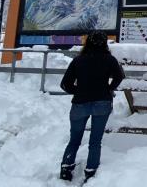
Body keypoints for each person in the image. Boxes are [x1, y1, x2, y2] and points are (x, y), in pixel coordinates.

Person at [59, 31, 125, 182]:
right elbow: (119, 76)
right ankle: (90, 171)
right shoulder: (110, 59)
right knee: (95, 141)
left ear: (87, 42)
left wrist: (78, 91)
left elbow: (65, 84)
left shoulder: (78, 60)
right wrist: (109, 88)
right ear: (104, 43)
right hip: (102, 102)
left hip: (80, 103)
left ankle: (66, 168)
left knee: (74, 139)